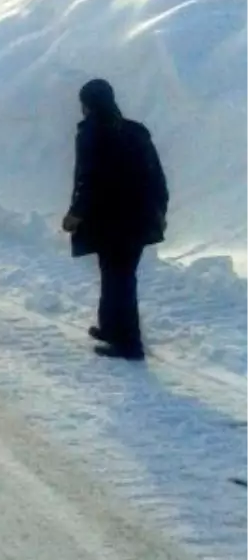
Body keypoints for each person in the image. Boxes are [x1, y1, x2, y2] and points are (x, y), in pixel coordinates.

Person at [62, 78, 168, 360]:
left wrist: (76, 213)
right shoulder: (135, 131)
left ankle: (129, 344)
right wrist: (160, 211)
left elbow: (89, 179)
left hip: (112, 220)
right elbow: (157, 176)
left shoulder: (93, 133)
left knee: (118, 278)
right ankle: (111, 328)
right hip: (139, 218)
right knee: (116, 274)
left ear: (88, 105)